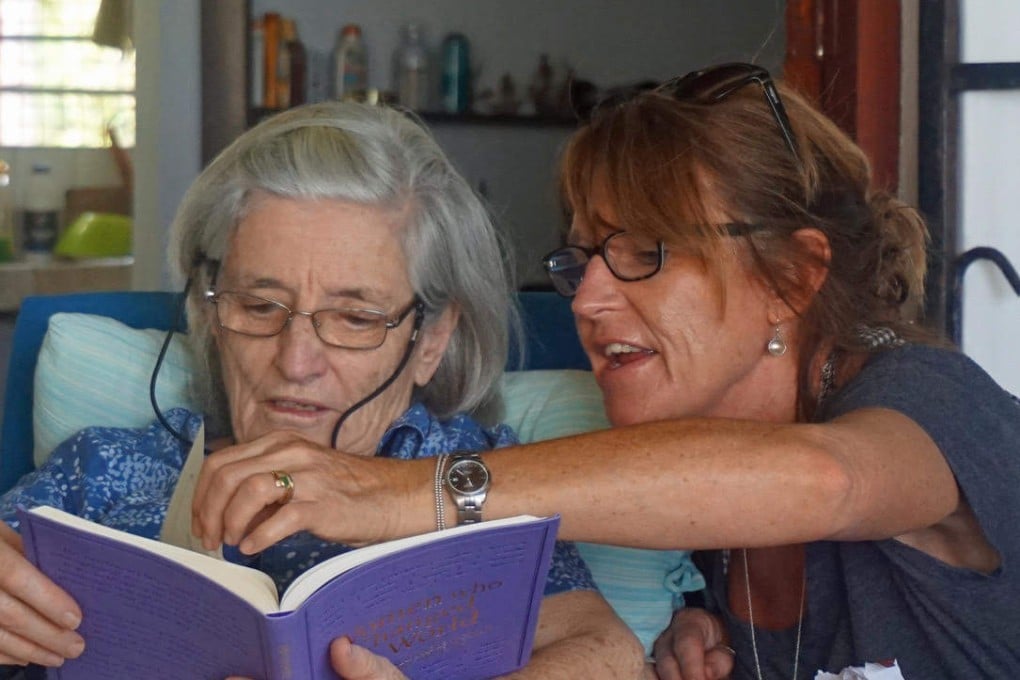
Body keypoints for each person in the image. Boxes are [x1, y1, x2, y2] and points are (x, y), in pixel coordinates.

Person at [192, 63, 1020, 680]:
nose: (586, 297)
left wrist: (395, 492)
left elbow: (823, 479)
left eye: (643, 254)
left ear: (792, 279)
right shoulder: (686, 515)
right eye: (583, 255)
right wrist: (680, 630)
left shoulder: (928, 397)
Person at [0, 101, 645, 678]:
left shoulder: (478, 478)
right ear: (208, 311)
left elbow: (610, 656)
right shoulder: (101, 473)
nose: (297, 361)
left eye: (356, 319)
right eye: (258, 306)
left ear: (431, 341)